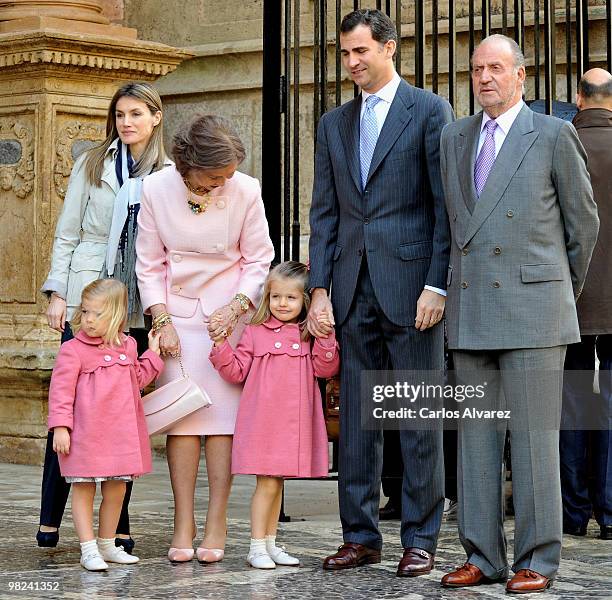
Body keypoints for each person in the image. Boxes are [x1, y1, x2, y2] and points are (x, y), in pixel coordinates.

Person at [439, 34, 599, 593]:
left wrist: (554, 289)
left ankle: (538, 558)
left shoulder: (554, 134)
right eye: (478, 68)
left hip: (534, 310)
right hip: (472, 307)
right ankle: (482, 556)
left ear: (521, 76)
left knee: (534, 441)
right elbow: (452, 226)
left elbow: (584, 226)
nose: (485, 77)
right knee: (476, 442)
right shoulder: (453, 136)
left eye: (497, 68)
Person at [308, 9, 454, 576]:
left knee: (419, 420)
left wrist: (437, 284)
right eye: (344, 54)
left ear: (389, 48)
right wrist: (319, 288)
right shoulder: (332, 123)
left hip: (414, 290)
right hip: (351, 291)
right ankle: (361, 535)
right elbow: (323, 213)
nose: (351, 64)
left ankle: (421, 537)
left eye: (360, 52)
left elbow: (445, 210)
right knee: (361, 425)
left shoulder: (429, 111)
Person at [135, 114, 274, 563]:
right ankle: (183, 520)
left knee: (221, 424)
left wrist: (236, 309)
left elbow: (259, 259)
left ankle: (216, 519)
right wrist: (160, 320)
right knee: (183, 420)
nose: (223, 182)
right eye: (215, 175)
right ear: (188, 165)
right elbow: (149, 262)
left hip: (226, 316)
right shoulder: (156, 189)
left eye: (229, 174)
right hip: (176, 316)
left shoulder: (247, 190)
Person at [38, 82, 170, 552]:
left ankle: (117, 527)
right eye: (120, 114)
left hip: (136, 299)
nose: (127, 122)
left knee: (121, 411)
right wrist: (56, 292)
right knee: (70, 404)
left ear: (156, 117)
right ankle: (51, 517)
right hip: (89, 294)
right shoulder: (91, 164)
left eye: (137, 113)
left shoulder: (168, 173)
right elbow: (67, 232)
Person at [209, 261, 339, 568]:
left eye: (291, 298)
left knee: (277, 482)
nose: (282, 303)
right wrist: (219, 345)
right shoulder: (255, 333)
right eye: (276, 297)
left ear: (304, 301)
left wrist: (325, 337)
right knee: (266, 483)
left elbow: (325, 368)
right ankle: (256, 546)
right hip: (264, 422)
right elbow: (235, 371)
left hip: (292, 424)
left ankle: (270, 543)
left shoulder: (308, 334)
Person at [47, 279, 164, 571]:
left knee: (116, 491)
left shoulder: (128, 346)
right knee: (84, 490)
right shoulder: (73, 350)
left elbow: (136, 380)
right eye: (85, 311)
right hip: (86, 436)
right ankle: (88, 549)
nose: (88, 319)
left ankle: (107, 544)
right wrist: (61, 427)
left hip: (120, 436)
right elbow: (60, 392)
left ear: (117, 316)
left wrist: (153, 354)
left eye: (96, 314)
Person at [560, 68, 612, 541]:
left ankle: (573, 512)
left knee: (573, 404)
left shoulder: (558, 140)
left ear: (578, 97)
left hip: (568, 296)